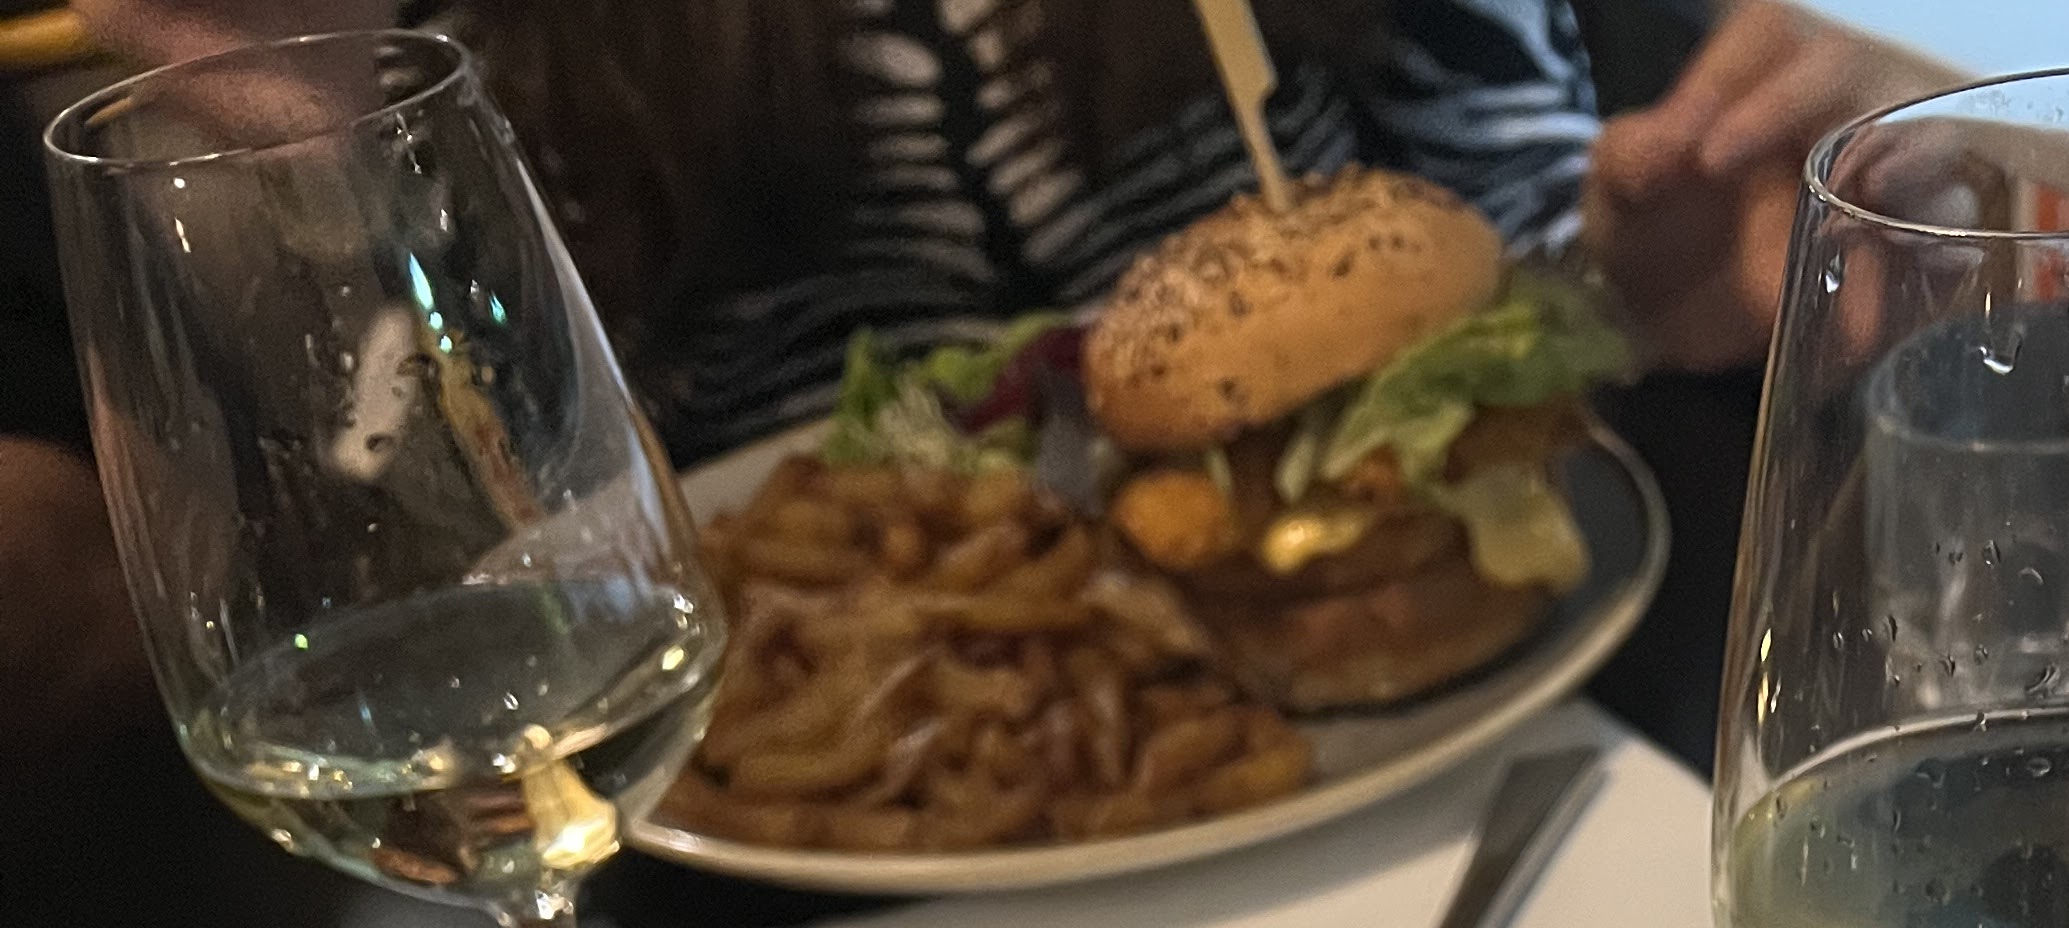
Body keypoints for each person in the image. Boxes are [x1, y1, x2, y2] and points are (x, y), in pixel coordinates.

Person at [0, 2, 1922, 762]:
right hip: (785, 900)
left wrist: (1668, 278)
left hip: (1555, 757)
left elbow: (1561, 225)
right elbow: (440, 552)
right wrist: (306, 191)